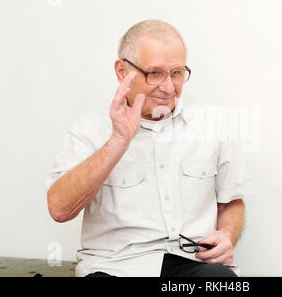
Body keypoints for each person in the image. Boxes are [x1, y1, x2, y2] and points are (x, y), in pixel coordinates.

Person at [45, 19, 252, 277]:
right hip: (114, 266)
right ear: (122, 71)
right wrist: (117, 142)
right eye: (154, 73)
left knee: (221, 281)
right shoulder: (89, 130)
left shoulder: (213, 124)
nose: (167, 87)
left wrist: (226, 235)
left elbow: (231, 201)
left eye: (176, 73)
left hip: (191, 264)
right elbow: (60, 209)